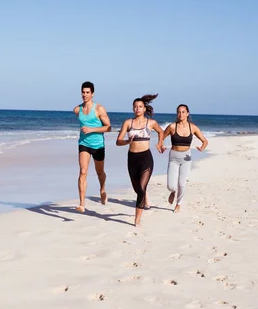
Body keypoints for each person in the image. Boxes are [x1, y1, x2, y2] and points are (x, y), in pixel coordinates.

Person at [116, 94, 165, 227]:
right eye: (135, 107)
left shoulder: (150, 123)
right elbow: (118, 141)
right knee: (137, 189)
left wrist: (160, 144)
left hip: (146, 158)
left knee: (141, 189)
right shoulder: (128, 123)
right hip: (132, 159)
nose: (137, 109)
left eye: (140, 107)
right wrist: (127, 141)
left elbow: (161, 132)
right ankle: (145, 200)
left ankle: (137, 220)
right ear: (133, 109)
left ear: (144, 109)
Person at [73, 81, 112, 213]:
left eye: (87, 92)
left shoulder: (99, 109)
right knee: (83, 171)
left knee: (99, 172)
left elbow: (109, 127)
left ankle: (102, 189)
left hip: (98, 145)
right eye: (83, 92)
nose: (85, 95)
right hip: (84, 144)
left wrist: (91, 129)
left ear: (92, 93)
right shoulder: (77, 110)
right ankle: (82, 203)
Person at [162, 104, 208, 213]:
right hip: (173, 156)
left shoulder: (193, 127)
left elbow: (205, 141)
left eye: (183, 112)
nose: (181, 114)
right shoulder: (172, 127)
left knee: (182, 183)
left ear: (187, 113)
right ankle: (173, 192)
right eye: (179, 112)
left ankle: (178, 204)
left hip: (186, 157)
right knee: (170, 185)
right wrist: (161, 146)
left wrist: (202, 148)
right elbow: (161, 137)